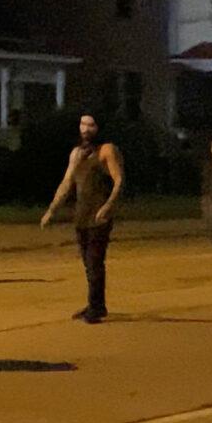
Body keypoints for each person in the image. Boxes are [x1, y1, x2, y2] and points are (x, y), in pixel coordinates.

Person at [40, 113, 125, 324]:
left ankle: (96, 309)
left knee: (95, 262)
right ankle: (95, 303)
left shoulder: (107, 150)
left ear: (99, 127)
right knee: (88, 264)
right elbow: (67, 182)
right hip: (82, 215)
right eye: (83, 124)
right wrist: (52, 210)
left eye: (91, 125)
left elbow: (120, 181)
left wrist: (108, 206)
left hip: (99, 216)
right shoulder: (77, 153)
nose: (86, 129)